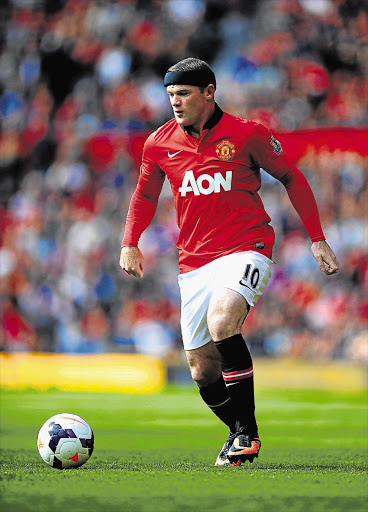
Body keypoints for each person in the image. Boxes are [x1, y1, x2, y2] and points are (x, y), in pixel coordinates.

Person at [119, 58, 339, 466]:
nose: (175, 103)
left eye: (183, 94)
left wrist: (318, 239)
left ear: (209, 91)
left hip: (246, 246)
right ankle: (240, 431)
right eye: (170, 95)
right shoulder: (159, 143)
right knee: (202, 370)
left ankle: (246, 436)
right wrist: (130, 242)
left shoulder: (248, 134)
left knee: (223, 322)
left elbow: (291, 176)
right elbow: (145, 196)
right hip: (193, 263)